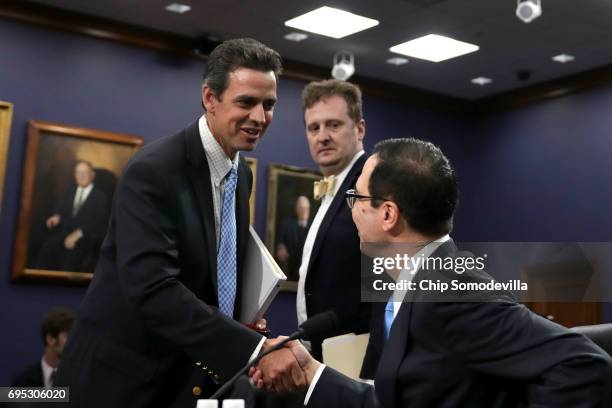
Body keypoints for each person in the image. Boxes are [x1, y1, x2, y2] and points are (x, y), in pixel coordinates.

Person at [254, 138, 612, 407]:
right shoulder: (413, 284)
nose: (353, 211)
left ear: (388, 215)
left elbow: (586, 364)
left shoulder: (450, 289)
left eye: (358, 199)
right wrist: (314, 371)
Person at [56, 38, 304, 408]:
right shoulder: (154, 170)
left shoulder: (241, 175)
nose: (260, 117)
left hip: (188, 381)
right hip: (123, 384)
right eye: (246, 102)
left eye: (269, 105)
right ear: (209, 98)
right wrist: (254, 348)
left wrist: (241, 322)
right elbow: (153, 289)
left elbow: (208, 276)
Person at [296, 79, 371, 362]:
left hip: (357, 359)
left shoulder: (372, 184)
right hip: (322, 355)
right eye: (314, 128)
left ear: (360, 128)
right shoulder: (333, 185)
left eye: (334, 125)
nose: (322, 136)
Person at [35, 160, 109, 272]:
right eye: (78, 172)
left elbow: (99, 224)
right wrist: (57, 216)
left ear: (92, 175)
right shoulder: (70, 191)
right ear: (75, 175)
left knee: (69, 262)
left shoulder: (100, 197)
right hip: (65, 233)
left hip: (86, 238)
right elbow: (62, 209)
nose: (81, 176)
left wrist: (79, 234)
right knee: (47, 248)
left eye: (85, 172)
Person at [12, 307, 76, 388]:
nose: (73, 342)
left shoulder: (80, 381)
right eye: (68, 336)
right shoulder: (23, 382)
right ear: (50, 339)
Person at [276, 196, 311, 281]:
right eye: (301, 208)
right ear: (296, 209)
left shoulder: (314, 227)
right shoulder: (287, 225)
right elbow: (280, 243)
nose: (304, 211)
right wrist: (281, 248)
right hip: (290, 269)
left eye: (306, 208)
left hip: (307, 271)